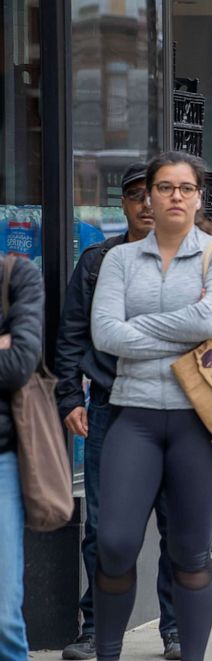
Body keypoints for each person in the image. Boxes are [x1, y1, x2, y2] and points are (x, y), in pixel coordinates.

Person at [89, 151, 212, 661]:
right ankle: (107, 652)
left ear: (199, 197)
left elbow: (209, 321)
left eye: (184, 188)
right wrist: (182, 333)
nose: (174, 196)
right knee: (114, 544)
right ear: (148, 198)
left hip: (201, 423)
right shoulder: (117, 260)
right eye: (164, 188)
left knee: (190, 553)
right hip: (132, 416)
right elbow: (104, 334)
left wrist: (140, 333)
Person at [55, 164, 181, 660]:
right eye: (135, 197)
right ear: (124, 205)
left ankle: (176, 630)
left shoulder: (195, 258)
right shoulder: (97, 262)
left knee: (177, 525)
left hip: (180, 409)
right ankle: (96, 629)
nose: (146, 205)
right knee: (106, 529)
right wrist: (69, 398)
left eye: (152, 194)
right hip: (112, 406)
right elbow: (70, 338)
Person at [0, 254, 44, 661]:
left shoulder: (17, 275)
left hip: (3, 459)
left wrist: (9, 350)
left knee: (3, 615)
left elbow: (17, 365)